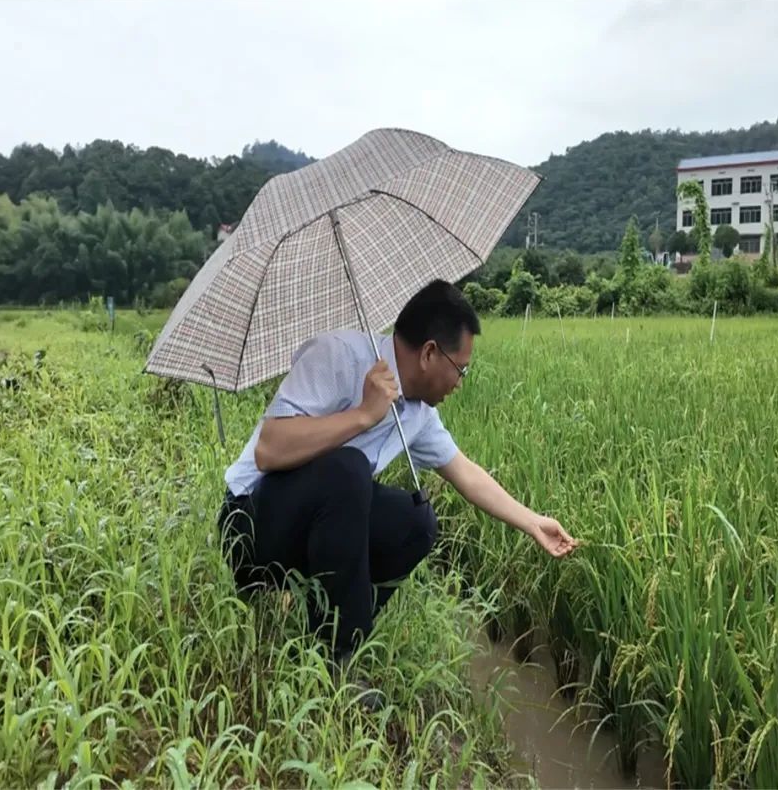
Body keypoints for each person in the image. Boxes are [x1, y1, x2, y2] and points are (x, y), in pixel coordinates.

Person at [216, 279, 578, 705]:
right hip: (249, 526)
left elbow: (466, 473)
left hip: (308, 525)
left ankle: (323, 630)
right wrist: (364, 415)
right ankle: (341, 659)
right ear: (428, 353)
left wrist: (534, 523)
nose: (460, 382)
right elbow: (268, 449)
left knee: (417, 522)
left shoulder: (417, 412)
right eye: (460, 369)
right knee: (349, 471)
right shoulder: (336, 354)